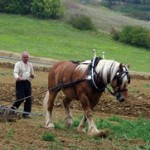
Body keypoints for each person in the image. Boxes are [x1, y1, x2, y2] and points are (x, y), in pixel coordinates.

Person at [11, 51, 34, 118]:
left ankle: (26, 113)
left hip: (27, 82)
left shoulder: (30, 65)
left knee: (28, 99)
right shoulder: (18, 64)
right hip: (20, 82)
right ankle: (13, 110)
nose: (26, 58)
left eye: (27, 57)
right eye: (24, 57)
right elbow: (15, 72)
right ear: (21, 57)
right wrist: (17, 77)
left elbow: (32, 74)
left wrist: (32, 75)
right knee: (20, 98)